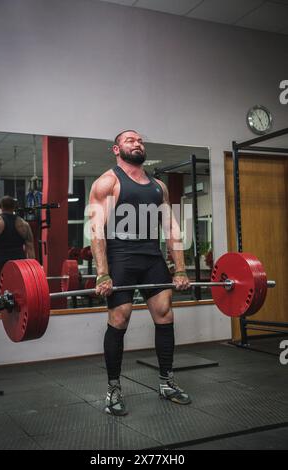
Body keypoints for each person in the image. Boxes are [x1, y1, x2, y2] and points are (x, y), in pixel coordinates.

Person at [88, 130, 191, 416]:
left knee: (165, 314)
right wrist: (103, 273)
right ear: (116, 149)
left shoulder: (159, 186)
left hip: (151, 258)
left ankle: (167, 383)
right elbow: (97, 231)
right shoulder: (107, 182)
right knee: (119, 319)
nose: (137, 143)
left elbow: (171, 229)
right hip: (121, 258)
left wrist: (180, 267)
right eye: (130, 140)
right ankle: (113, 390)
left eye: (140, 140)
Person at [0, 195, 35, 298]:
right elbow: (30, 249)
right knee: (19, 293)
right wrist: (33, 273)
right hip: (19, 266)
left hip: (0, 265)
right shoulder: (24, 224)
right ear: (14, 208)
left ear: (0, 207)